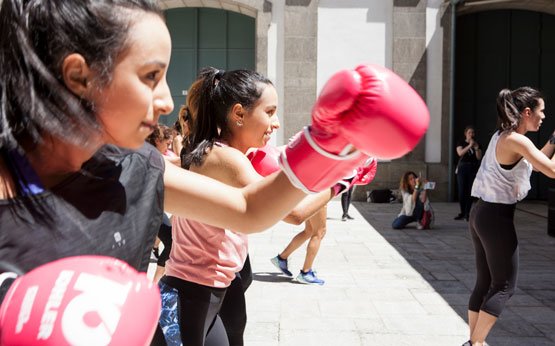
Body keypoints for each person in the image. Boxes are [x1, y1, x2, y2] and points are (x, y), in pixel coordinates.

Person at [0, 1, 429, 343]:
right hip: (196, 289)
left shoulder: (138, 168)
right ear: (80, 75)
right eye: (151, 76)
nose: (168, 101)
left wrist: (334, 146)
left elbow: (249, 208)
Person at [155, 68, 342, 346]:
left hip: (215, 293)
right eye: (269, 112)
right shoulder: (225, 158)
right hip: (188, 298)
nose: (276, 123)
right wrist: (340, 178)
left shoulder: (225, 153)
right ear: (239, 114)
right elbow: (292, 213)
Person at [464, 86, 555, 346]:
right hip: (495, 217)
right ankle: (475, 343)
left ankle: (475, 340)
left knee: (485, 282)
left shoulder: (504, 136)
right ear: (527, 112)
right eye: (542, 111)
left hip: (480, 212)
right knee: (504, 286)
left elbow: (539, 164)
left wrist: (552, 141)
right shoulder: (517, 140)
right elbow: (551, 170)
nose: (544, 116)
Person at [455, 126, 482, 221]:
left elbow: (479, 157)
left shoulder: (477, 144)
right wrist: (469, 146)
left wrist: (476, 148)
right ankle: (462, 212)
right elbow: (460, 153)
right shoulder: (461, 142)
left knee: (470, 190)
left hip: (472, 168)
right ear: (465, 133)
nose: (471, 134)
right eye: (469, 132)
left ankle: (467, 213)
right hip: (462, 168)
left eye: (473, 133)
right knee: (462, 191)